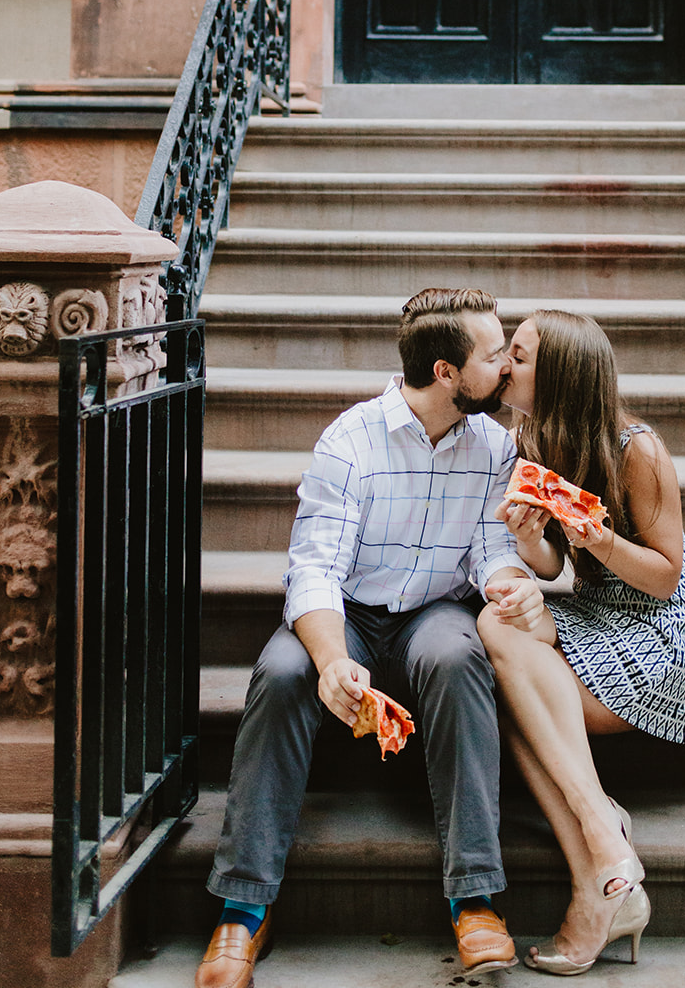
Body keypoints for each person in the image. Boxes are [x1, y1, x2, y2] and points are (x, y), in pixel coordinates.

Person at [196, 287, 545, 988]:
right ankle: (243, 908)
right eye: (492, 354)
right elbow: (315, 567)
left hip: (433, 614)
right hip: (347, 613)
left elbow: (488, 550)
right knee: (286, 673)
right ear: (446, 372)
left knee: (458, 656)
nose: (507, 365)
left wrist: (513, 582)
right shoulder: (350, 439)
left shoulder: (494, 445)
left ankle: (474, 897)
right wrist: (330, 660)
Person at [479, 309, 685, 977]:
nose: (505, 366)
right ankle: (603, 863)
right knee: (499, 632)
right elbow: (550, 570)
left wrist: (597, 539)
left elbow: (662, 578)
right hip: (597, 615)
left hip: (665, 639)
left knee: (507, 676)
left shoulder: (637, 451)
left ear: (562, 374)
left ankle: (598, 851)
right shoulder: (529, 442)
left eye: (520, 354)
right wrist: (531, 540)